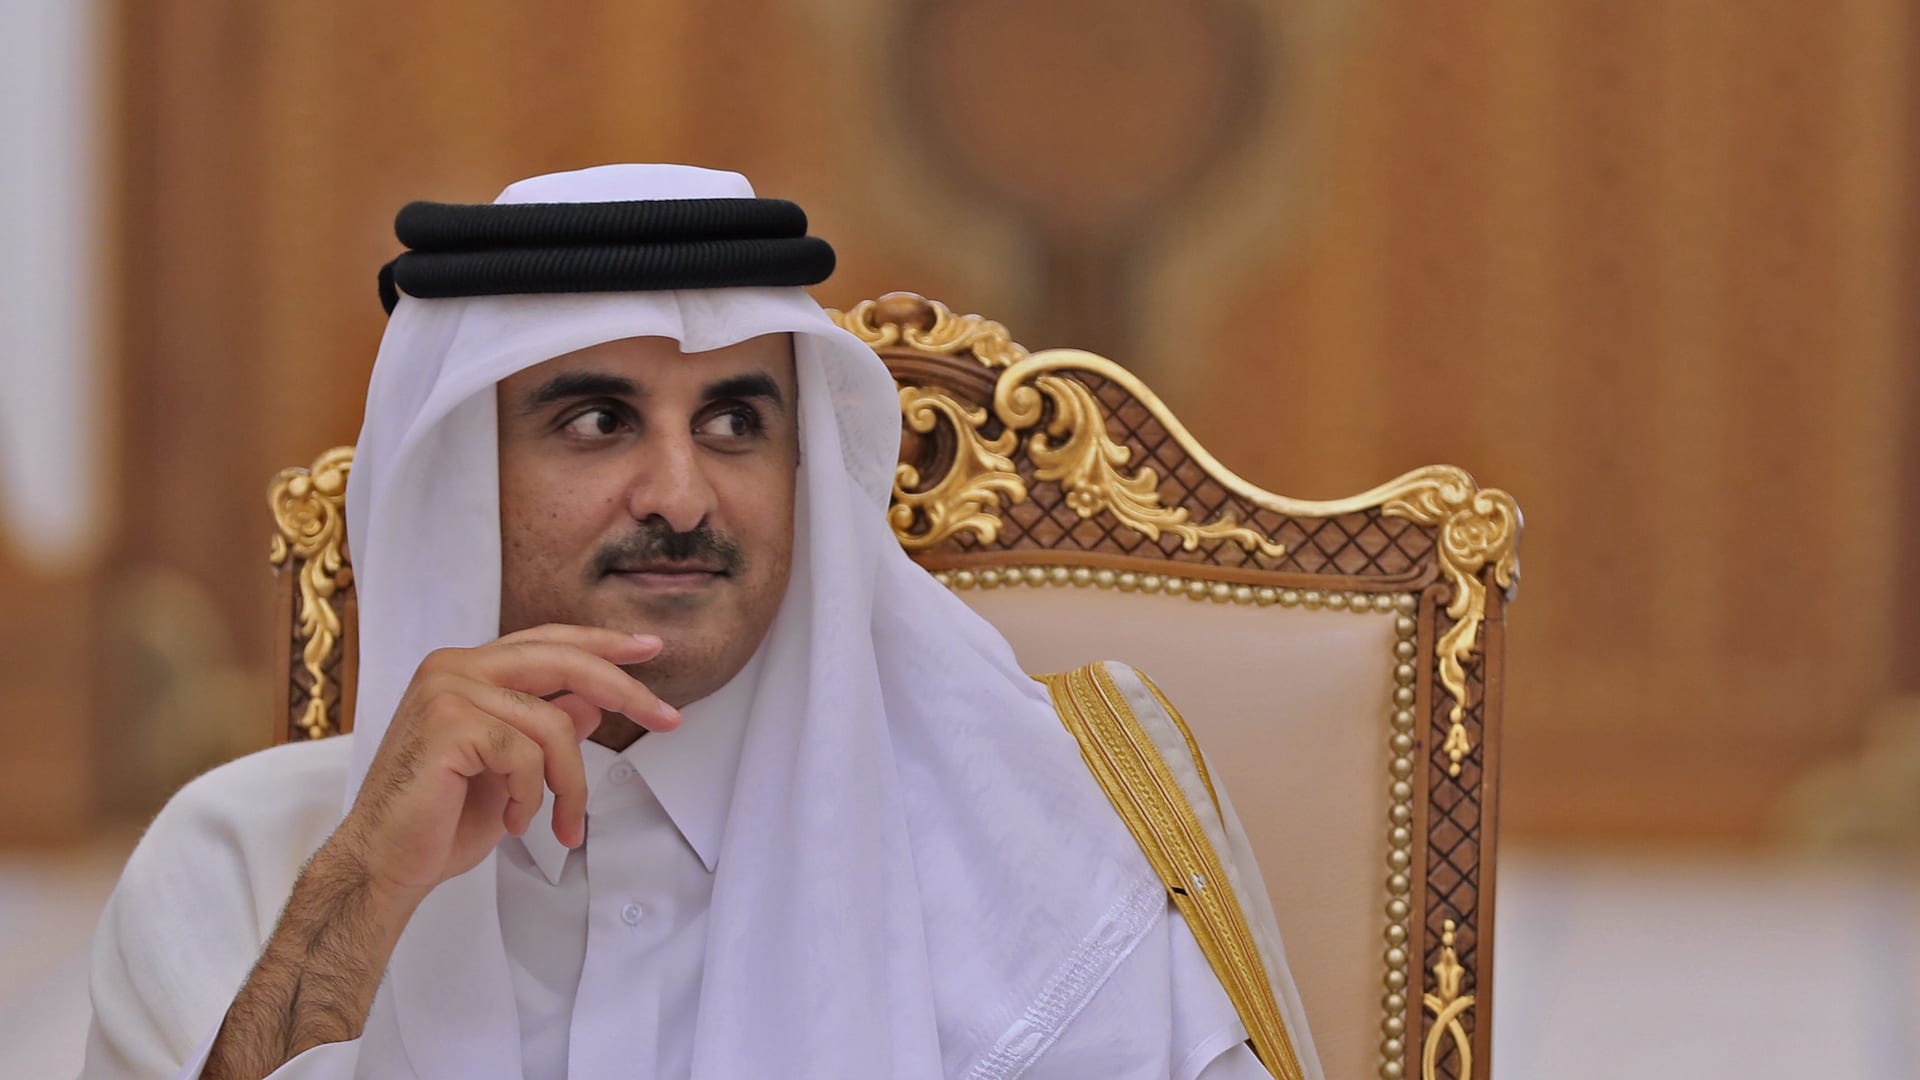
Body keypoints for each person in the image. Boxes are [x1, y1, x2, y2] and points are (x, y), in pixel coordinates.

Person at [82, 164, 1322, 1080]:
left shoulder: (1040, 835)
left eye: (735, 422)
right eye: (597, 422)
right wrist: (359, 896)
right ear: (463, 481)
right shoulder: (243, 864)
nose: (681, 495)